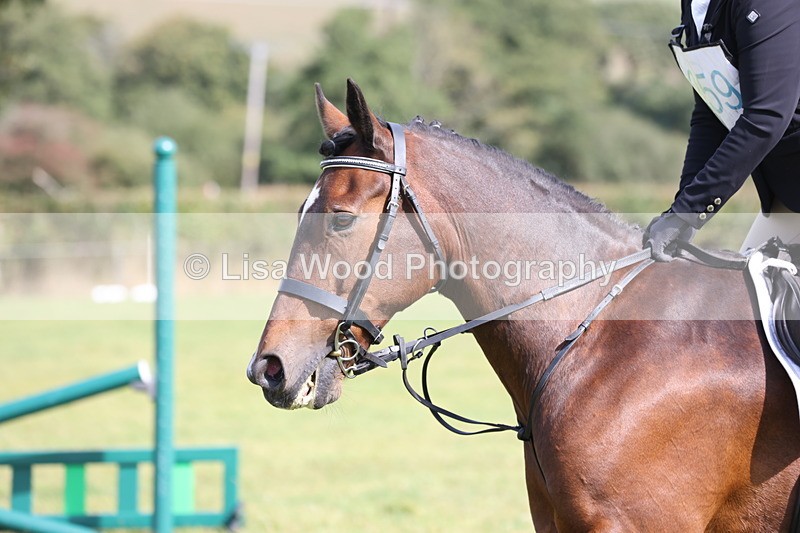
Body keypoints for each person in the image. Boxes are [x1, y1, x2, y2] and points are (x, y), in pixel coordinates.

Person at [643, 0, 800, 261]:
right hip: (789, 192)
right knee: (746, 293)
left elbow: (765, 117)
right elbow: (711, 115)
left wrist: (688, 210)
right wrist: (683, 207)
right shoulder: (695, 6)